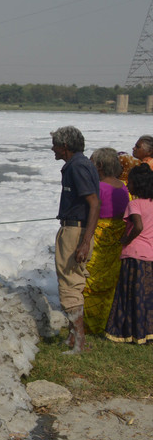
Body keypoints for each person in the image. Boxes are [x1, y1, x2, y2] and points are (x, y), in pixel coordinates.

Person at [50, 126, 100, 354]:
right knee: (69, 280)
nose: (53, 149)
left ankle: (79, 343)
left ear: (65, 146)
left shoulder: (78, 166)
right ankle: (73, 338)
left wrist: (84, 241)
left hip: (75, 231)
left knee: (70, 283)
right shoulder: (78, 164)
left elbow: (93, 202)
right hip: (72, 228)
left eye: (56, 145)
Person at [82, 148, 130, 336]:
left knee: (90, 281)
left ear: (99, 166)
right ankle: (106, 322)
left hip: (99, 238)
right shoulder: (124, 187)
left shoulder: (97, 188)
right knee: (110, 283)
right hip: (117, 239)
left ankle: (88, 324)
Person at [105, 163, 153, 344]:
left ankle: (128, 332)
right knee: (146, 295)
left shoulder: (134, 204)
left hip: (134, 254)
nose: (127, 186)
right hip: (149, 255)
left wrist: (126, 239)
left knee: (129, 294)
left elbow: (138, 226)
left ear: (137, 185)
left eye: (130, 183)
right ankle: (146, 332)